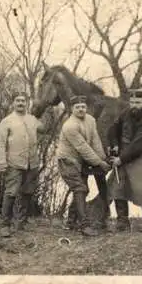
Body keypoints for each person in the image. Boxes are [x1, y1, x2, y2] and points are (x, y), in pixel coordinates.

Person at [56, 95, 112, 236]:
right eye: (77, 107)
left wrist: (103, 159)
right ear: (71, 109)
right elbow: (83, 148)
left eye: (83, 107)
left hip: (80, 161)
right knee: (80, 188)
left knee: (81, 190)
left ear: (86, 108)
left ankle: (70, 222)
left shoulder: (91, 120)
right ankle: (84, 225)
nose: (81, 109)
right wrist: (99, 163)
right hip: (67, 161)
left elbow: (95, 141)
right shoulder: (69, 126)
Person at [0, 91, 47, 238]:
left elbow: (44, 129)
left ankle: (21, 223)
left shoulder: (32, 120)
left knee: (27, 192)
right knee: (11, 193)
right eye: (17, 101)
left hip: (32, 163)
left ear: (27, 103)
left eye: (23, 101)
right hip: (14, 163)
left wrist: (46, 108)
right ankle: (5, 225)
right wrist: (1, 162)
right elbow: (0, 144)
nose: (20, 103)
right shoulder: (7, 121)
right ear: (13, 103)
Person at [107, 89, 142, 233]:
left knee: (140, 187)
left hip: (140, 155)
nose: (134, 105)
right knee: (117, 185)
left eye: (138, 102)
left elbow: (137, 145)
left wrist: (120, 159)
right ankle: (122, 221)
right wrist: (115, 145)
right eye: (132, 102)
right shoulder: (125, 113)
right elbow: (113, 129)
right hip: (123, 155)